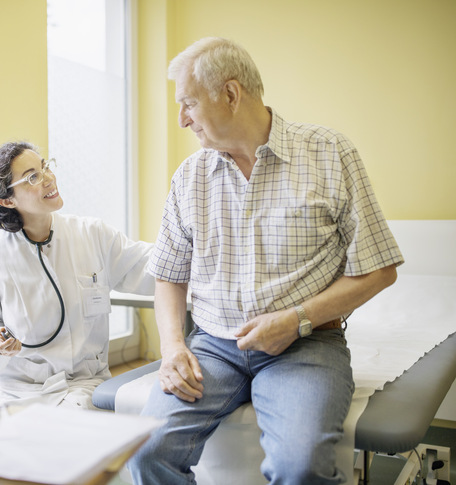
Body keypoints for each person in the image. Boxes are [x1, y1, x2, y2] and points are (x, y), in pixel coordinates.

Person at [128, 37, 404, 484]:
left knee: (299, 467)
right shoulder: (190, 177)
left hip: (307, 346)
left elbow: (379, 268)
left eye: (188, 104)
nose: (181, 119)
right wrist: (174, 346)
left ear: (231, 94)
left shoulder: (330, 154)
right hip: (214, 346)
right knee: (145, 452)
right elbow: (169, 276)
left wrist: (296, 319)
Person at [0, 141, 154, 409]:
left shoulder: (92, 234)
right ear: (8, 200)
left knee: (68, 432)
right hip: (12, 388)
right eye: (32, 177)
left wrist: (203, 254)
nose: (48, 179)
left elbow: (149, 264)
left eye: (44, 167)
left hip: (81, 385)